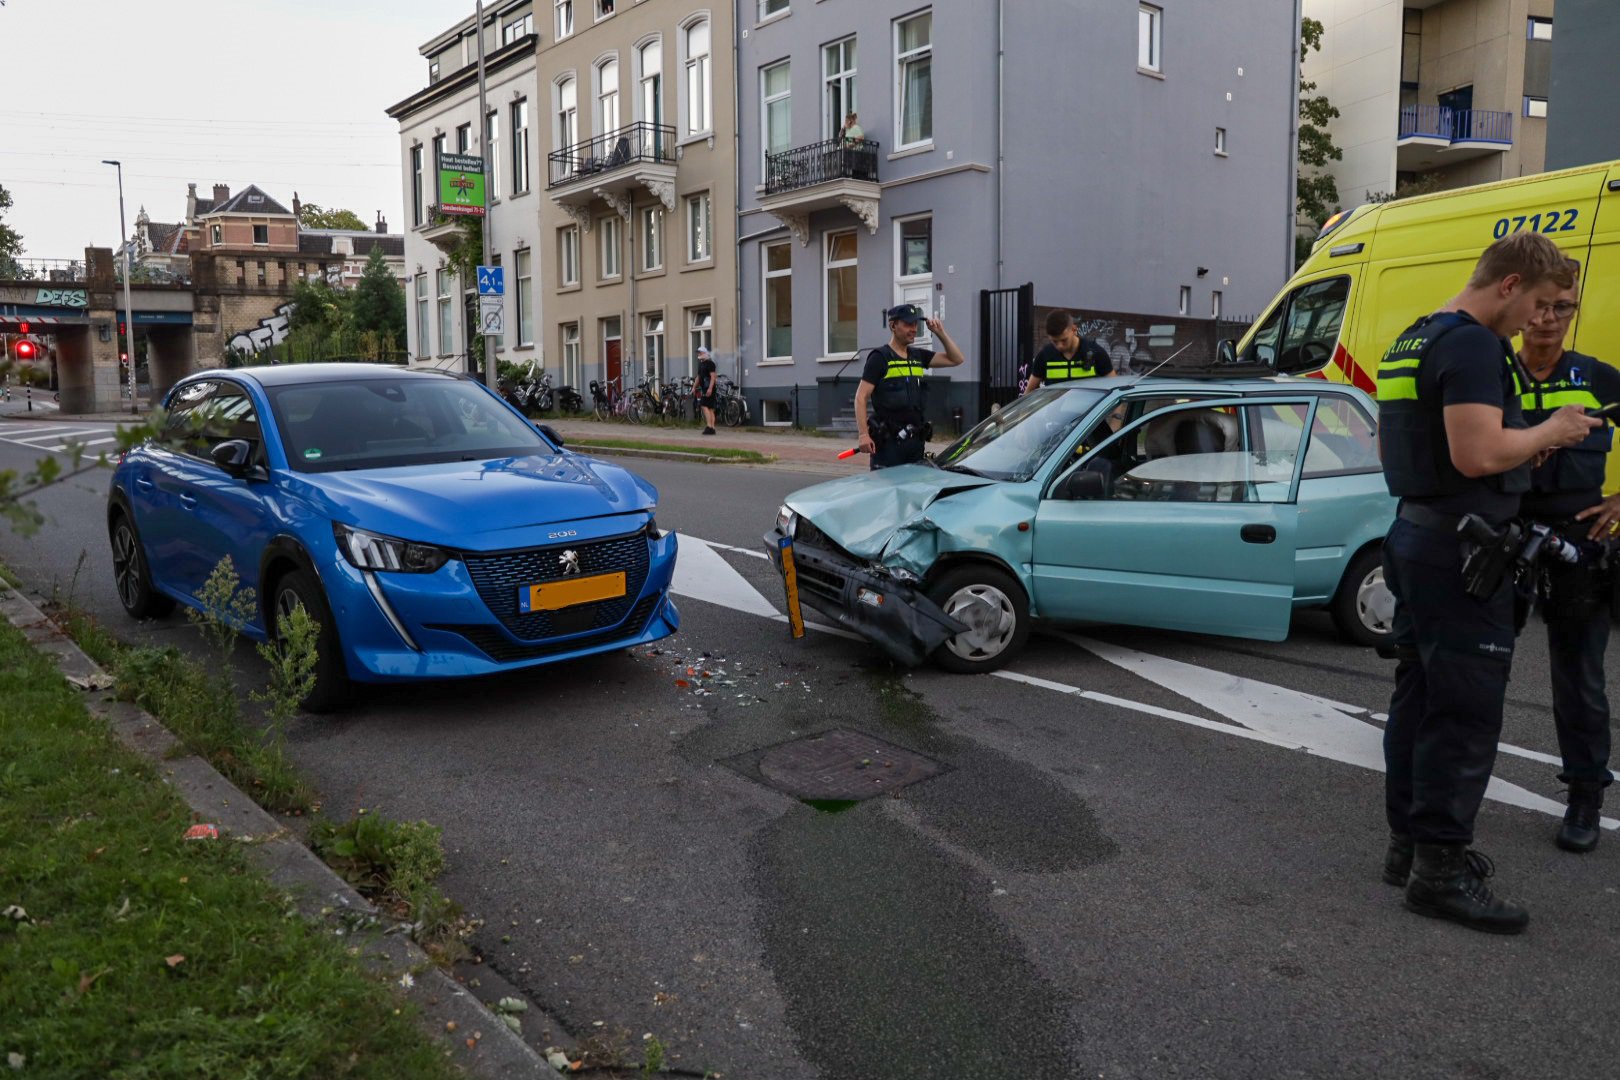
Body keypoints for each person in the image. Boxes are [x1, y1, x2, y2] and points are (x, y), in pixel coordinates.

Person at [1376, 231, 1599, 935]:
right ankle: (1440, 873)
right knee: (1465, 714)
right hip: (1462, 553)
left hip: (1416, 535)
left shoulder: (1412, 337)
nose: (1537, 318)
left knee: (1418, 698)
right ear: (1508, 285)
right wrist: (1551, 432)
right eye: (1536, 302)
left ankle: (1406, 848)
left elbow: (1431, 450)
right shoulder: (1472, 343)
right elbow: (1476, 454)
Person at [1515, 261, 1620, 853]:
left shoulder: (1595, 377)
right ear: (1522, 303)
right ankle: (1458, 787)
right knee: (1478, 667)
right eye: (1543, 306)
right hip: (1506, 534)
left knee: (1579, 679)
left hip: (1578, 542)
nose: (1550, 319)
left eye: (1565, 309)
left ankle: (1585, 796)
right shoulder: (1495, 373)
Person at [855, 304, 965, 470]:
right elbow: (861, 397)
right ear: (893, 326)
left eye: (915, 324)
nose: (913, 329)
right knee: (887, 494)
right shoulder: (879, 358)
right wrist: (863, 435)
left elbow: (956, 359)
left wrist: (940, 333)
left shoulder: (917, 356)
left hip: (915, 445)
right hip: (888, 446)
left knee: (913, 493)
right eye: (908, 324)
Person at [1024, 310, 1113, 392]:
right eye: (1054, 341)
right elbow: (1028, 394)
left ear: (1074, 329)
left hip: (1089, 409)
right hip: (1055, 409)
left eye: (1064, 340)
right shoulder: (1045, 355)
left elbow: (1115, 388)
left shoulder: (1096, 352)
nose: (1059, 346)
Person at [695, 346, 718, 435]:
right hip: (704, 388)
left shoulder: (710, 363)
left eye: (700, 352)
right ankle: (712, 428)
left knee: (704, 406)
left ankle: (709, 426)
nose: (698, 354)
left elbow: (713, 377)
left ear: (705, 353)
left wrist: (710, 388)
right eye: (698, 352)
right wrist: (694, 387)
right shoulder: (701, 364)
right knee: (710, 409)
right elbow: (698, 377)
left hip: (709, 388)